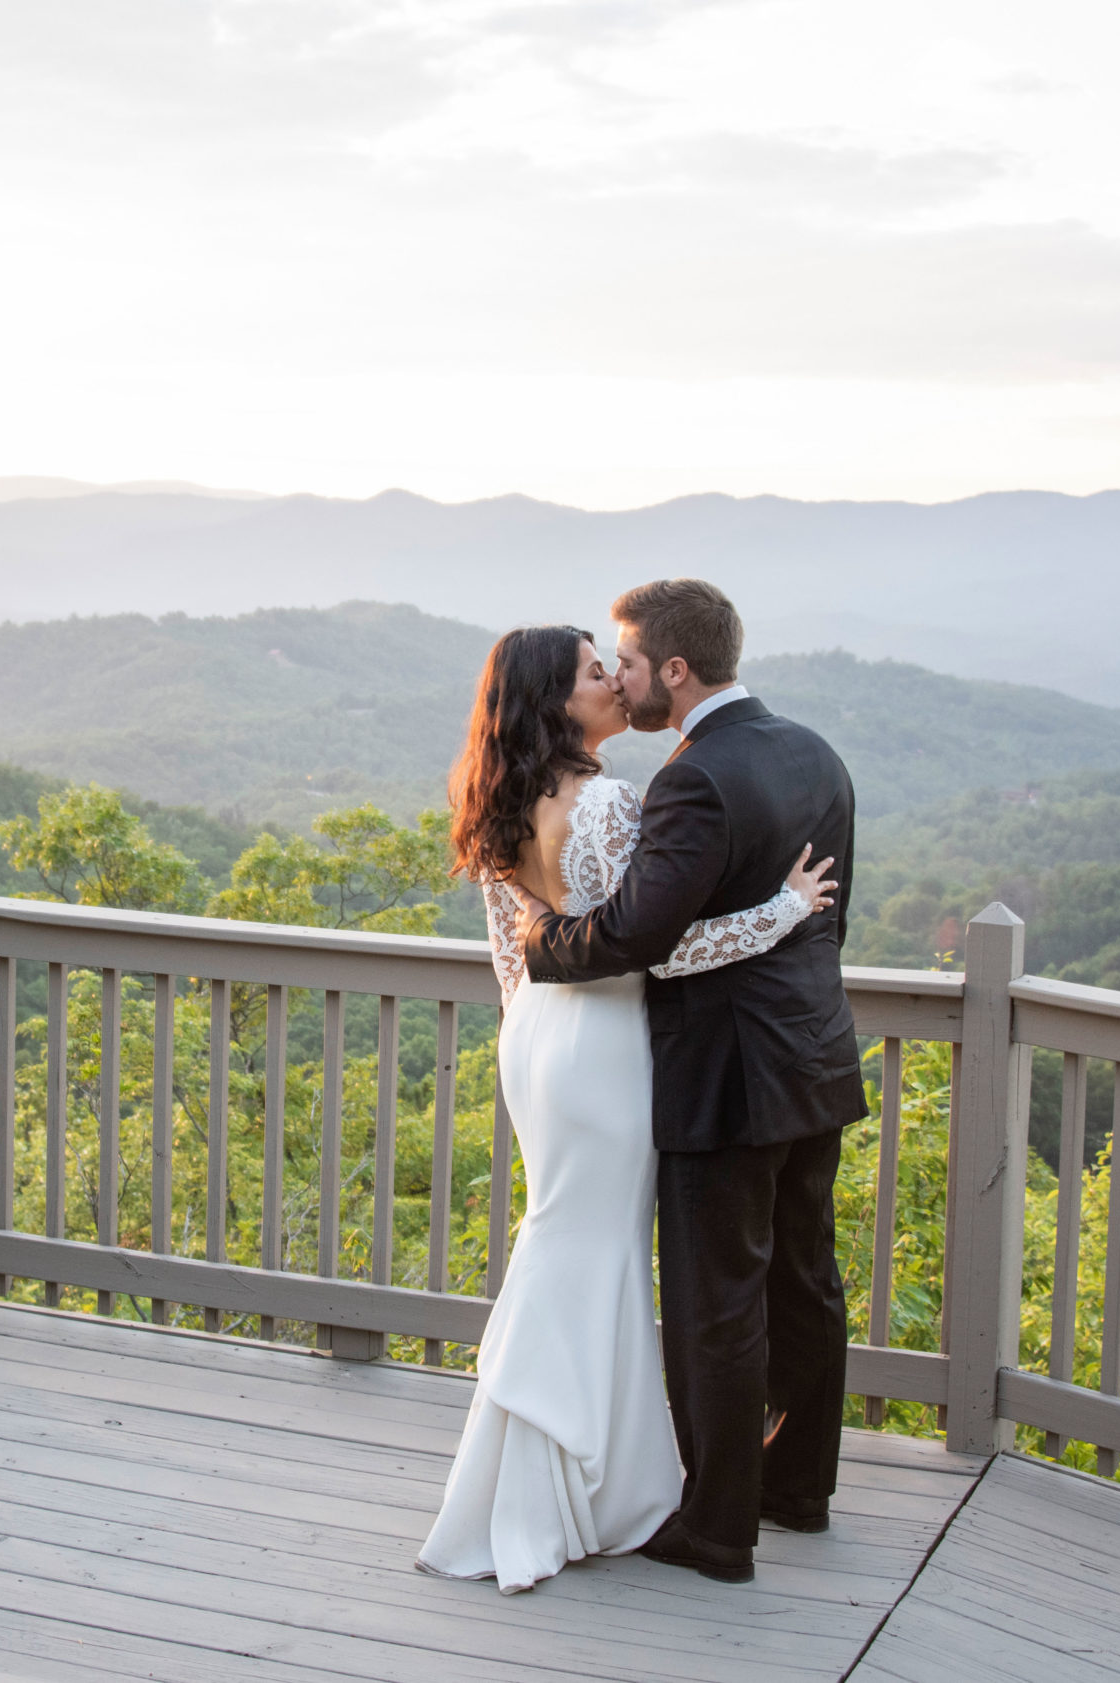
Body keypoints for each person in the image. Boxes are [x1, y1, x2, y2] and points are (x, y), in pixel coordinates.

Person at [415, 622, 836, 1594]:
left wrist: (534, 1041)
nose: (616, 682)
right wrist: (782, 909)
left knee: (564, 1240)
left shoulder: (494, 797)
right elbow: (650, 943)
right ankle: (572, 1482)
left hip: (539, 1040)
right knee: (591, 1250)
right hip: (604, 1044)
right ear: (557, 702)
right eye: (596, 673)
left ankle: (550, 1472)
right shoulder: (605, 803)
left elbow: (513, 954)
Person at [519, 578, 862, 1587]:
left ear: (673, 669)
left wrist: (543, 943)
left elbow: (640, 940)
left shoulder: (692, 780)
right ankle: (797, 1490)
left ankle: (717, 1527)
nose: (618, 679)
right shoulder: (813, 751)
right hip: (815, 1055)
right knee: (807, 1281)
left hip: (726, 1074)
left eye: (623, 661)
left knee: (721, 1300)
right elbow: (829, 914)